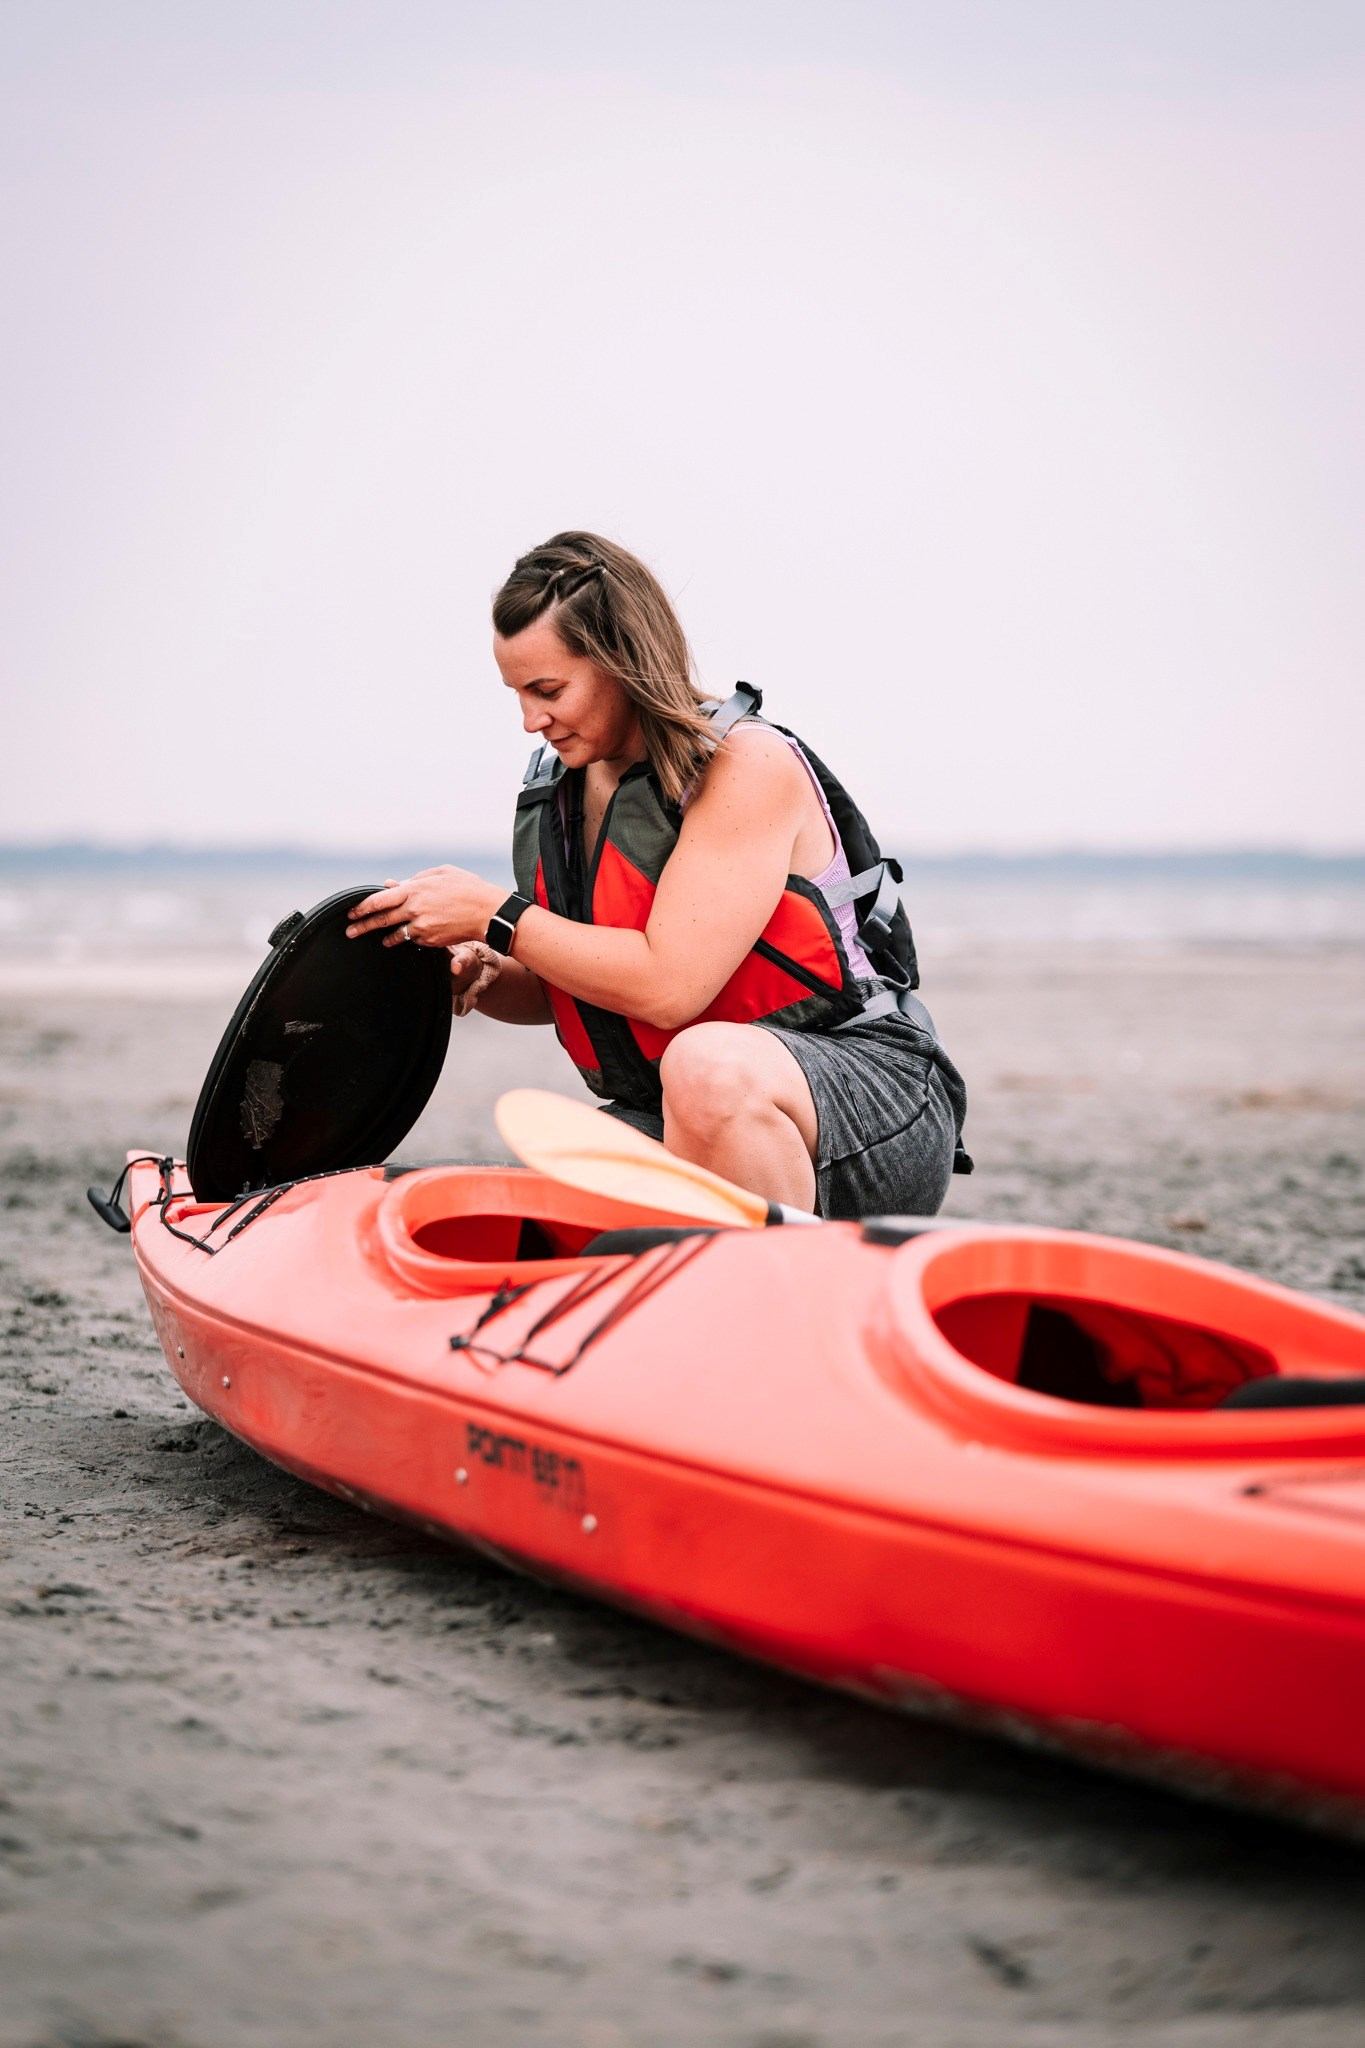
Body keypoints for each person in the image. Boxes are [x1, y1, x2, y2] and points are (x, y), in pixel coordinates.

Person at [346, 532, 968, 1218]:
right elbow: (571, 981)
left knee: (706, 1068)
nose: (529, 720)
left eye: (548, 690)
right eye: (517, 693)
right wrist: (490, 969)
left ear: (623, 661)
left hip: (865, 1093)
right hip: (679, 1105)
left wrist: (497, 915)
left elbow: (669, 988)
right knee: (539, 1194)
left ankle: (785, 1275)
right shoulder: (564, 788)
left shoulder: (746, 767)